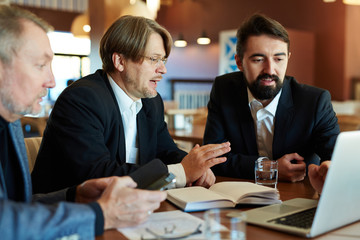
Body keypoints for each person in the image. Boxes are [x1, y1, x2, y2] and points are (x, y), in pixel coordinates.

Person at [0, 5, 166, 238]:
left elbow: (18, 205)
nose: (51, 81)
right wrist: (97, 215)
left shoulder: (10, 123)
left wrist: (73, 195)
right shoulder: (84, 97)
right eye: (40, 65)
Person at [31, 15, 231, 194]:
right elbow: (96, 174)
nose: (163, 69)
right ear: (120, 61)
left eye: (163, 60)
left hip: (128, 206)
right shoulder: (83, 99)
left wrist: (196, 167)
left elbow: (166, 151)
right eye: (154, 59)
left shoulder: (151, 102)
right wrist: (182, 171)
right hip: (66, 217)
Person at [203, 14, 339, 182]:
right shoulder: (224, 89)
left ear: (288, 58)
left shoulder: (315, 101)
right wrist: (269, 168)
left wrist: (331, 168)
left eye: (278, 59)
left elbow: (335, 160)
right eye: (259, 59)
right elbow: (212, 159)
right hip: (237, 198)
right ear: (239, 62)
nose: (270, 70)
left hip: (297, 198)